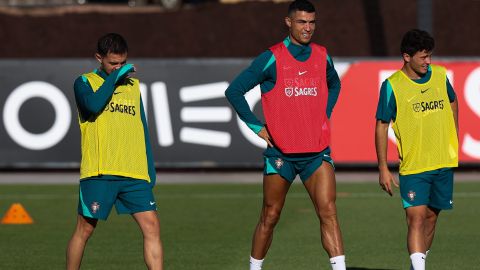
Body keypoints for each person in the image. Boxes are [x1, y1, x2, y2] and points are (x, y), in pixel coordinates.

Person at [225, 1, 345, 269]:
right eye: (302, 22)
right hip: (281, 154)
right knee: (270, 215)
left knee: (328, 213)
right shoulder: (271, 57)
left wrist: (324, 113)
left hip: (316, 152)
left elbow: (335, 84)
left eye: (312, 22)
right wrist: (256, 126)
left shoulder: (322, 55)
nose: (308, 28)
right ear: (288, 22)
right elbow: (234, 91)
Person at [66, 33, 163, 270]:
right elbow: (93, 105)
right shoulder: (84, 82)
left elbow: (142, 127)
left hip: (134, 172)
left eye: (122, 63)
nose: (119, 68)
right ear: (99, 58)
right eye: (113, 64)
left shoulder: (133, 86)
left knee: (151, 226)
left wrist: (149, 169)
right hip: (101, 171)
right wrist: (115, 78)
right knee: (85, 230)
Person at [375, 29, 458, 270]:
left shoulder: (440, 76)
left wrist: (454, 136)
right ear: (407, 57)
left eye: (429, 56)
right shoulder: (392, 86)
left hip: (443, 161)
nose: (428, 62)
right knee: (416, 218)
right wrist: (382, 167)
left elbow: (453, 102)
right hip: (414, 165)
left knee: (431, 219)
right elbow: (381, 126)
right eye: (423, 57)